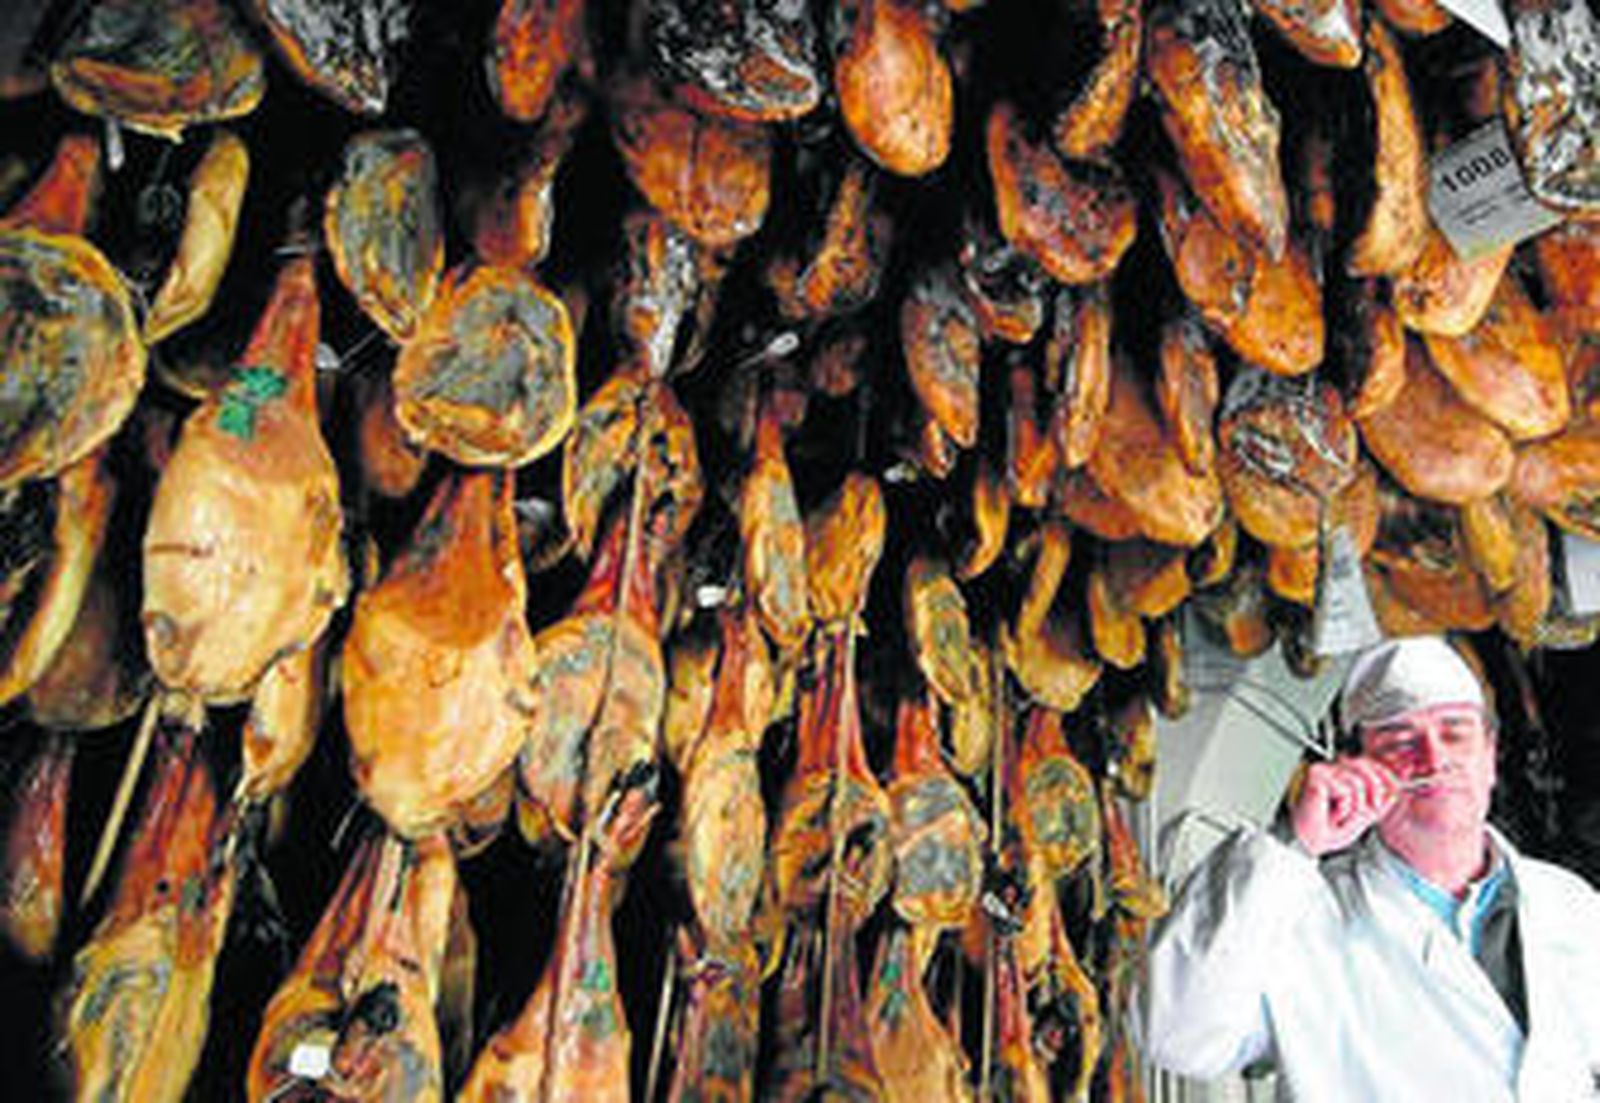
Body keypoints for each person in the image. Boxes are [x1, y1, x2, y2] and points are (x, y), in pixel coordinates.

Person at [1136, 636, 1600, 1101]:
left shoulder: (1570, 905)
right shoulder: (1296, 917)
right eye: (1400, 741)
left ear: (1490, 755)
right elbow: (1177, 1037)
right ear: (1356, 767)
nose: (1434, 758)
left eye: (1455, 734)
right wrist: (1296, 845)